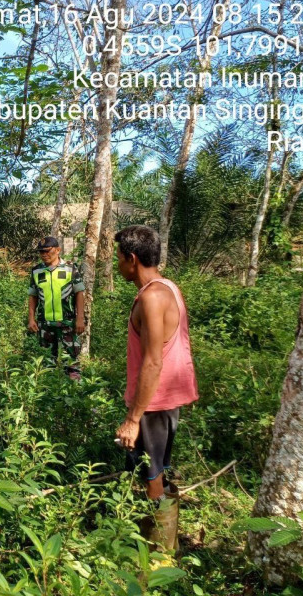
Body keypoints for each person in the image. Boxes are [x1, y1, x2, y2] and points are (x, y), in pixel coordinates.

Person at [113, 225, 199, 553]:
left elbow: (152, 363)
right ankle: (159, 540)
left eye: (119, 259)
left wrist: (134, 417)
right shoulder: (168, 288)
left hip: (154, 401)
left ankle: (157, 556)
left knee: (152, 474)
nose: (117, 265)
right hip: (166, 397)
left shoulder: (152, 297)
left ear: (132, 259)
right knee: (157, 467)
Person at [27, 236, 85, 378]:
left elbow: (79, 293)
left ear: (58, 250)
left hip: (67, 321)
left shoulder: (70, 268)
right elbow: (33, 296)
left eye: (47, 251)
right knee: (47, 361)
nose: (44, 255)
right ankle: (49, 391)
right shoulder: (36, 271)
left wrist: (80, 318)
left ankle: (75, 392)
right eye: (41, 252)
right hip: (45, 323)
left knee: (71, 361)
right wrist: (31, 319)